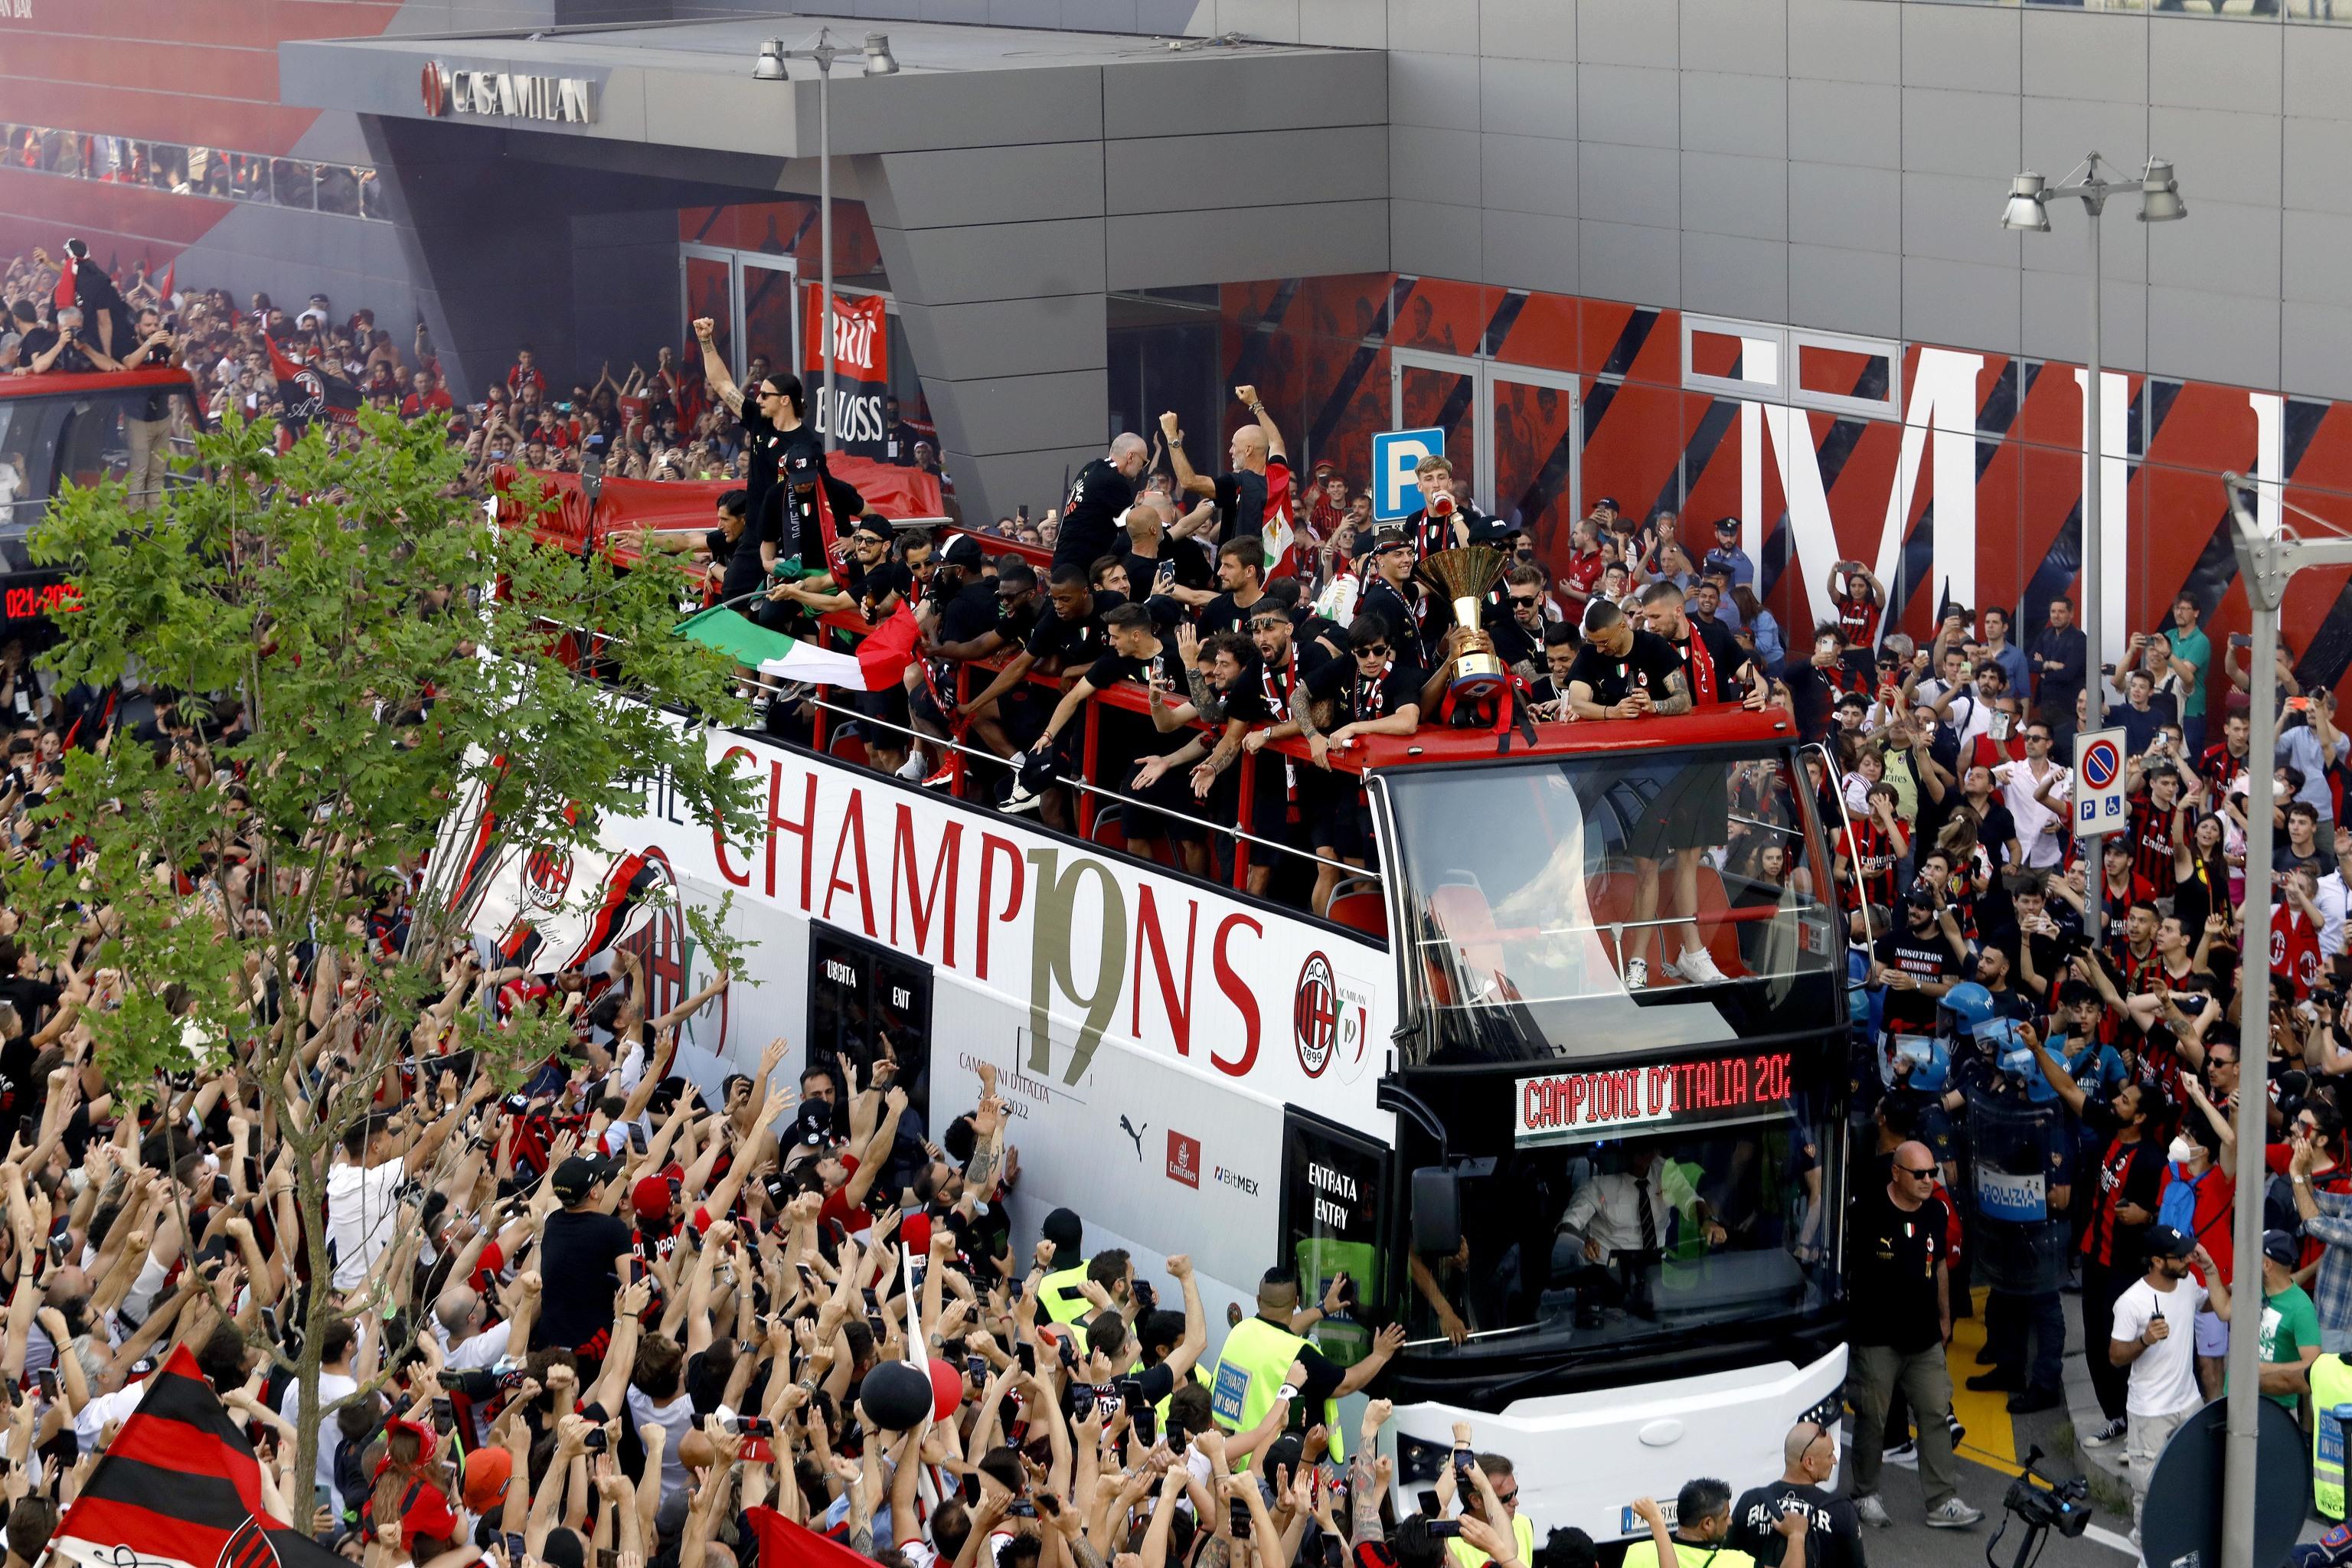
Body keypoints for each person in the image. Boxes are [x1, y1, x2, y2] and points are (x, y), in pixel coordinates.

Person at [1844, 1138, 1982, 1530]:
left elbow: (1939, 1265)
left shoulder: (1936, 1211)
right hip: (1878, 1337)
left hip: (1924, 1337)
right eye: (1919, 1173)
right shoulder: (1866, 1212)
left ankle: (1943, 1500)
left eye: (1932, 1173)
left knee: (1936, 1413)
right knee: (1873, 1417)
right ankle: (1865, 1494)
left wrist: (1945, 1317)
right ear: (1896, 1173)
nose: (1928, 1180)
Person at [2110, 1226, 2230, 1547]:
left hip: (2188, 1403)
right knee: (2148, 1490)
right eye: (2180, 1256)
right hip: (2149, 1411)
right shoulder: (2130, 1302)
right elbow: (2116, 1356)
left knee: (2192, 1478)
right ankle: (2147, 1550)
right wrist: (2145, 1340)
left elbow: (2208, 1304)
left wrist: (2213, 1271)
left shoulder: (2188, 1283)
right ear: (2157, 1261)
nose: (2188, 1259)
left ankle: (2178, 1543)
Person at [1728, 1423, 1862, 1568]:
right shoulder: (1841, 1510)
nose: (1834, 1461)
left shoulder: (1750, 1500)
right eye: (1830, 1455)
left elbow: (1725, 1559)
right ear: (1809, 1463)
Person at [1625, 1481, 1795, 1568]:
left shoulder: (1638, 1553)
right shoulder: (1736, 1563)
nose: (1730, 1521)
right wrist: (1796, 1536)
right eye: (1725, 1517)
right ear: (1707, 1524)